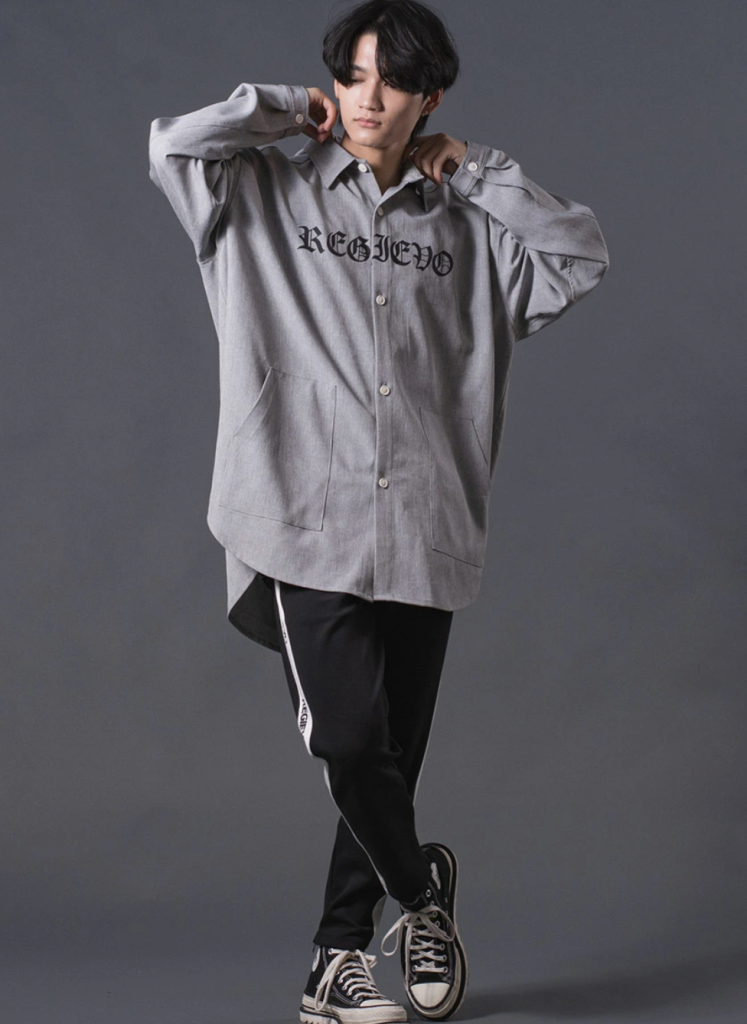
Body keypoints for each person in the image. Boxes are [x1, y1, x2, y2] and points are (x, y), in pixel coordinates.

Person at [147, 0, 610, 1020]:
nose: (368, 99)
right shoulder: (261, 190)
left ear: (429, 98)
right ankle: (422, 892)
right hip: (297, 515)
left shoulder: (466, 225)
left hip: (426, 524)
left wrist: (478, 170)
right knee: (352, 742)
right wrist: (285, 109)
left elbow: (579, 255)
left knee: (388, 762)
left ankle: (335, 958)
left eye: (392, 81)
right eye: (352, 75)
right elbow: (172, 147)